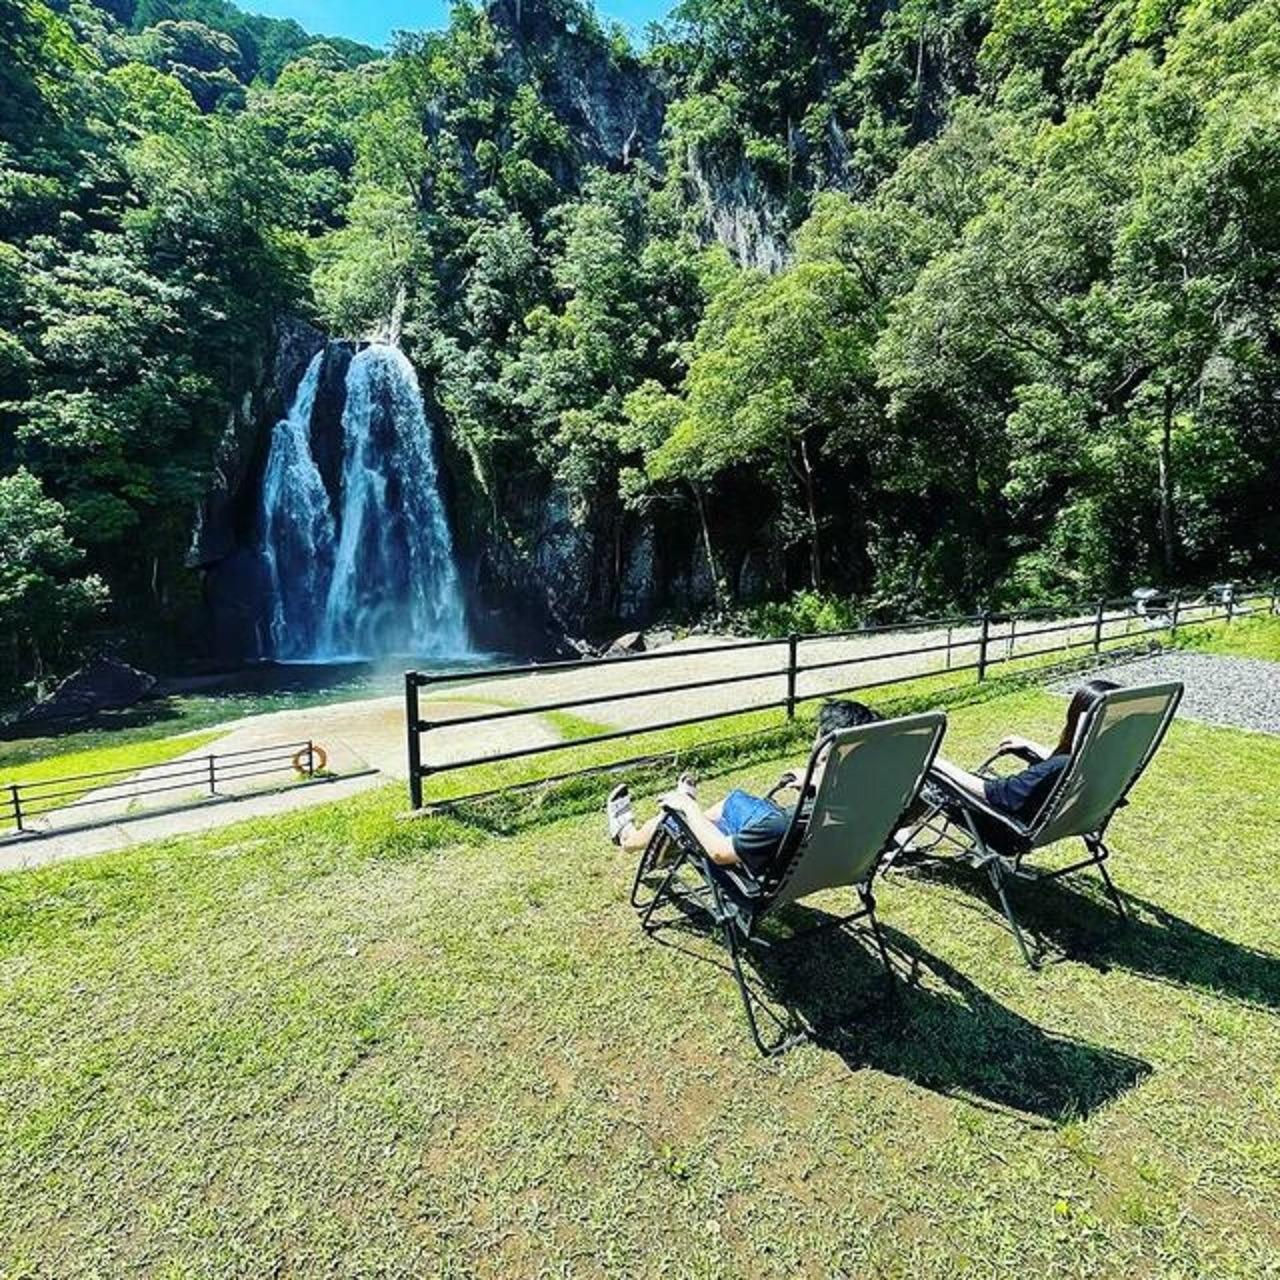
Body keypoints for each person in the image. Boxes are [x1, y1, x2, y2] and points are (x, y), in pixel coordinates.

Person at [605, 699, 883, 874]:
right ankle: (680, 827)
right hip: (824, 863)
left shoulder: (786, 823)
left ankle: (627, 837)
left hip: (772, 860)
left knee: (675, 815)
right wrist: (816, 780)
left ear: (825, 750)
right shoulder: (877, 795)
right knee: (732, 802)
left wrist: (688, 807)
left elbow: (720, 853)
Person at [927, 678, 1120, 824]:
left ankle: (901, 836)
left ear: (1076, 718)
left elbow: (993, 793)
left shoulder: (1059, 766)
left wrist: (936, 763)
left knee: (929, 781)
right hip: (1058, 824)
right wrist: (1030, 746)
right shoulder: (1112, 761)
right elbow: (1071, 763)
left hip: (1004, 827)